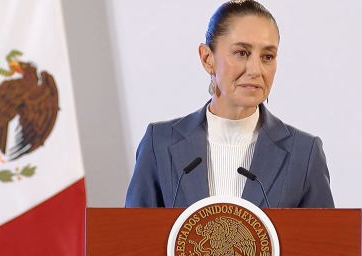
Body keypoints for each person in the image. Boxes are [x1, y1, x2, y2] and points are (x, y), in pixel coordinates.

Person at [125, 0, 335, 208]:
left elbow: (323, 240)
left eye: (267, 56)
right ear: (207, 58)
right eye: (241, 53)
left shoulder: (304, 154)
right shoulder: (159, 144)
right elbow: (133, 238)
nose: (255, 70)